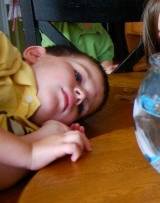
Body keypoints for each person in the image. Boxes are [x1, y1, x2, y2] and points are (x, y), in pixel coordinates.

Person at [0, 31, 109, 190]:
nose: (81, 95)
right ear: (36, 55)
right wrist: (29, 152)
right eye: (78, 76)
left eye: (81, 108)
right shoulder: (6, 58)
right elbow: (29, 156)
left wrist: (44, 139)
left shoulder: (27, 132)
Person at [41, 0, 117, 74]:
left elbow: (105, 57)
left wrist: (107, 69)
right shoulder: (55, 22)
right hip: (53, 79)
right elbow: (45, 11)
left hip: (85, 84)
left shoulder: (98, 30)